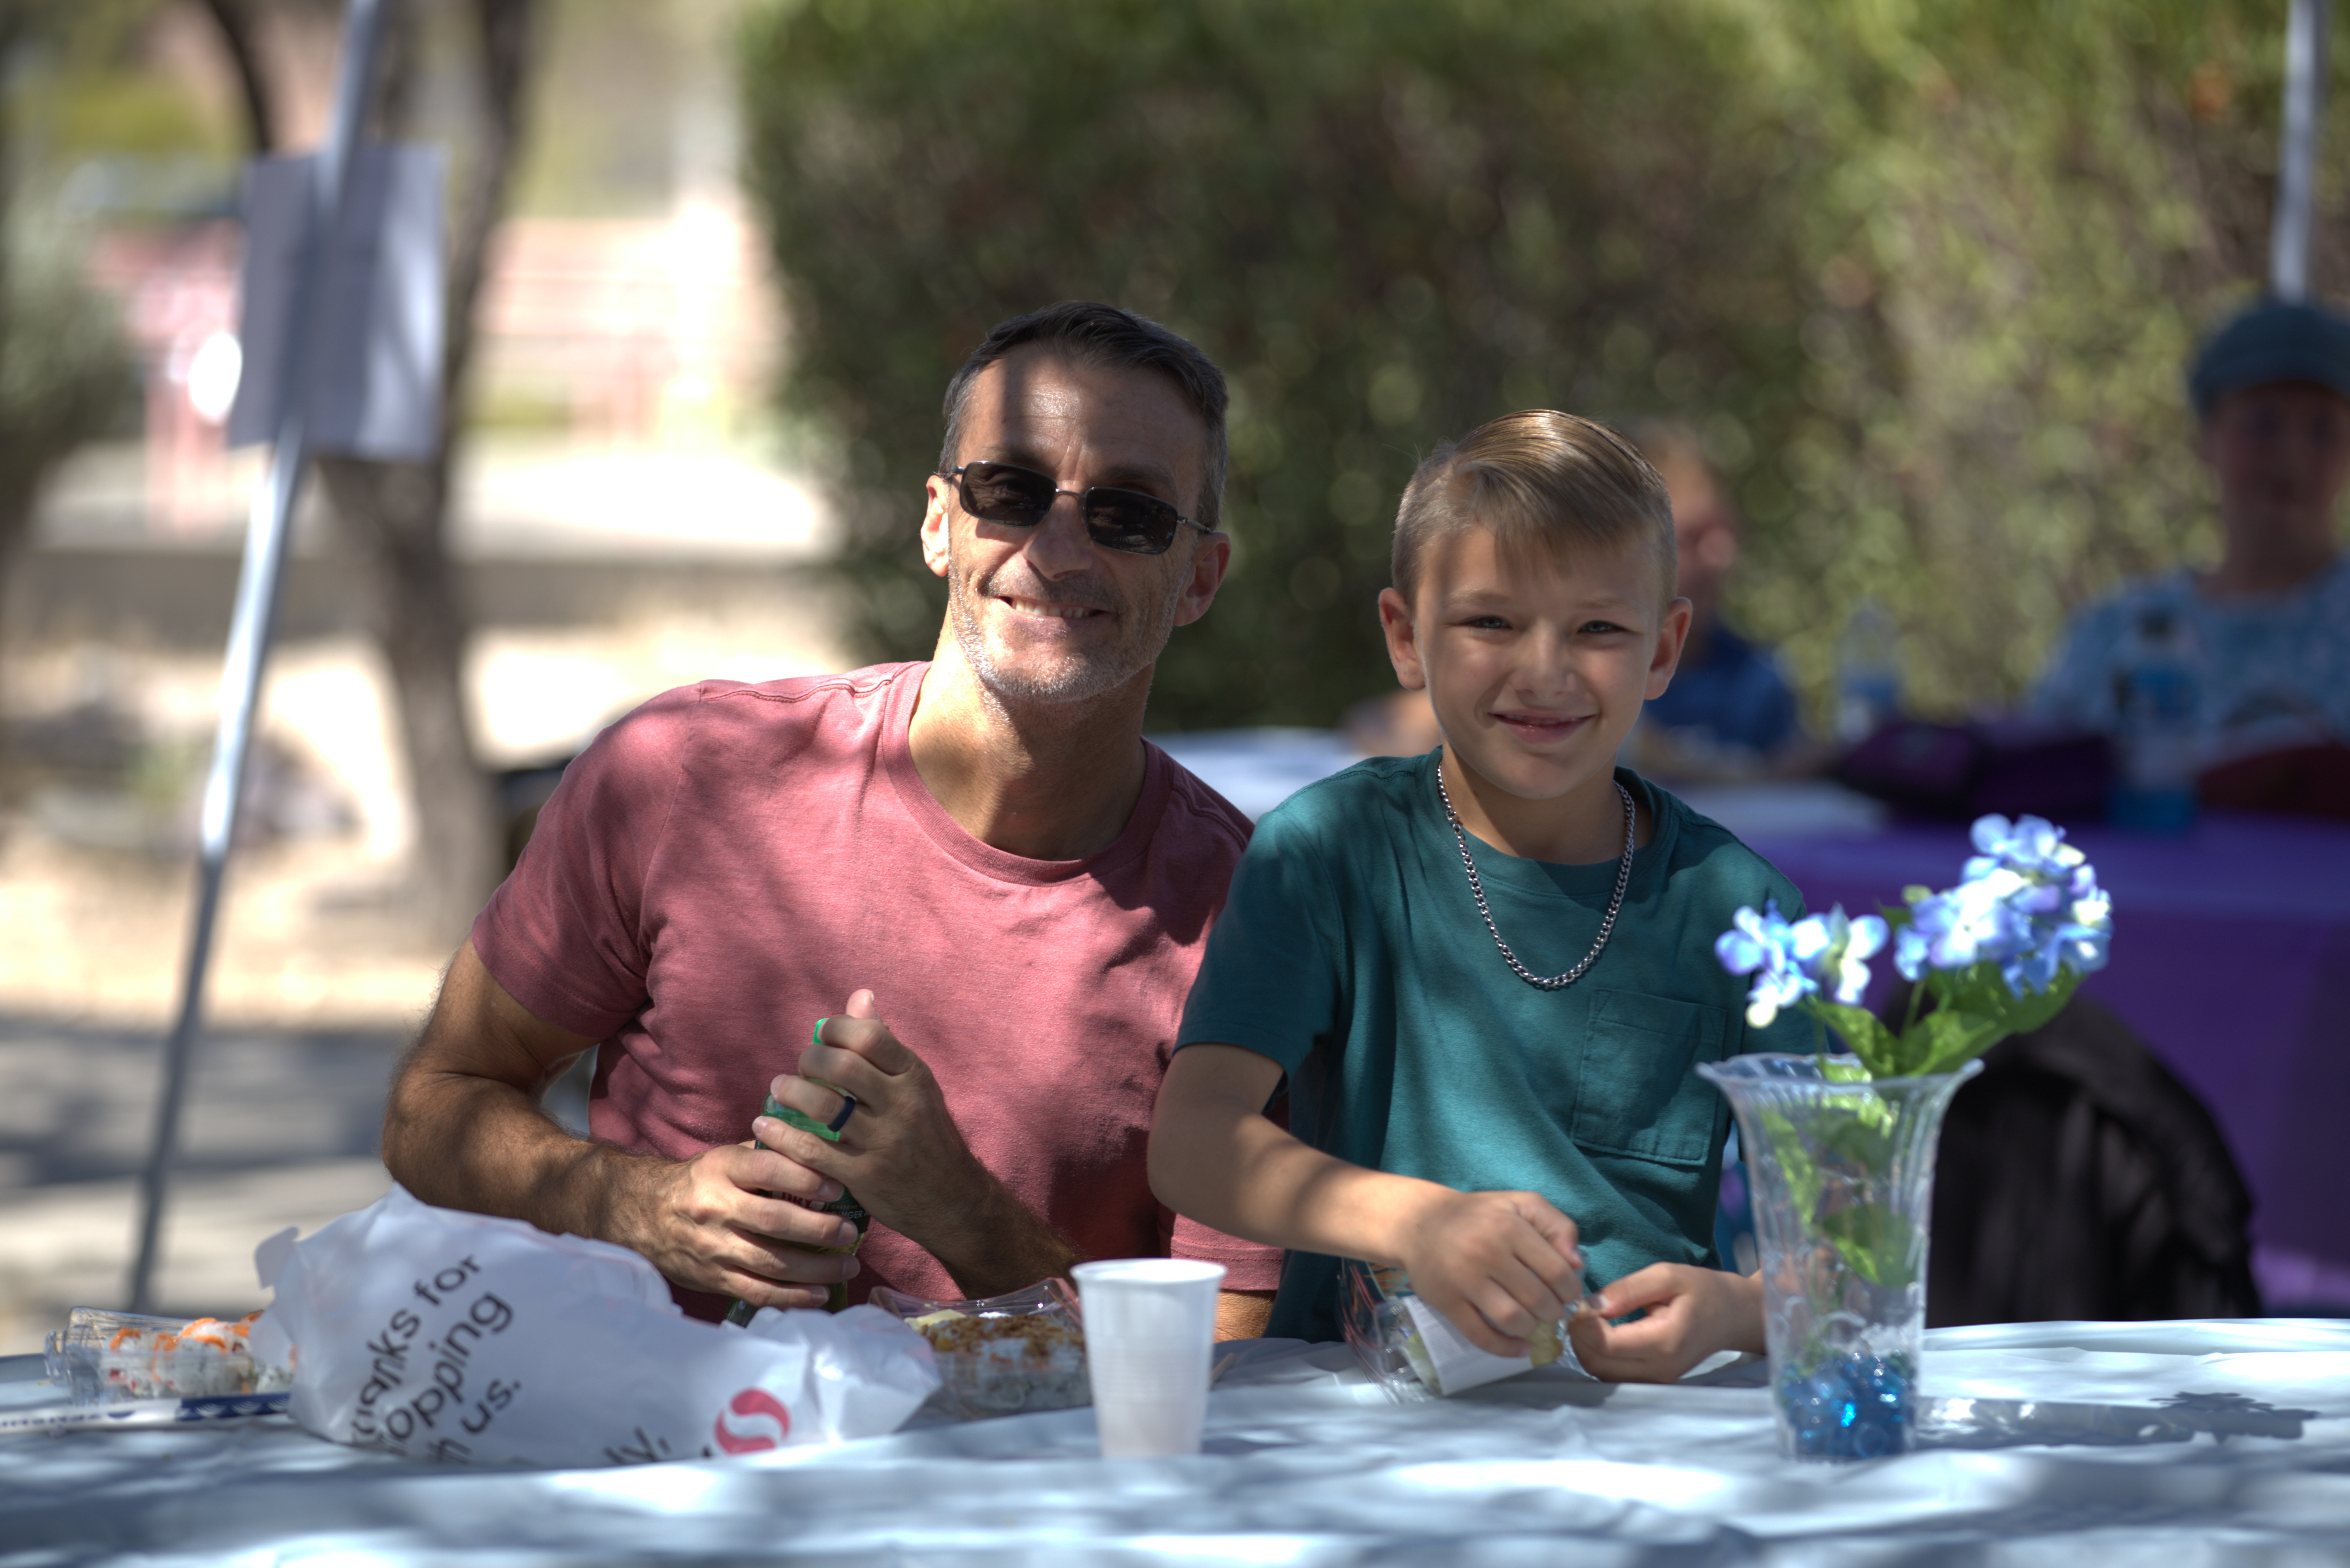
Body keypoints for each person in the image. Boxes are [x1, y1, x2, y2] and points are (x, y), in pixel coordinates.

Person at [382, 302, 1283, 1336]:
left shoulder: (1252, 919)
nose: (1058, 549)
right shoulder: (682, 776)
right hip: (669, 1473)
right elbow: (434, 1104)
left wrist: (971, 1219)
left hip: (1017, 1495)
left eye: (1130, 514)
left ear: (1200, 578)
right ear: (941, 523)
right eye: (1012, 490)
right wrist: (642, 1204)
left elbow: (1218, 1369)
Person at [1148, 410, 1811, 1382]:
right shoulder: (1329, 853)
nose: (1544, 670)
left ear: (1664, 651)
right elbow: (1195, 1139)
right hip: (1359, 1419)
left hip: (1657, 1435)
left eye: (1598, 628)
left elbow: (1856, 1242)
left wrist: (1741, 1311)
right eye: (1491, 621)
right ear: (1404, 638)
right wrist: (1415, 1220)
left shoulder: (1745, 913)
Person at [2034, 297, 2350, 774]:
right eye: (2263, 425)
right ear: (2207, 439)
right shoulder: (2118, 636)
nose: (2291, 457)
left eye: (2323, 430)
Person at [1624, 423, 1800, 769]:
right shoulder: (1583, 676)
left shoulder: (1757, 680)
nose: (1722, 556)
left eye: (1727, 531)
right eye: (1693, 537)